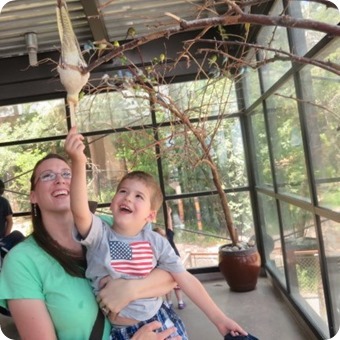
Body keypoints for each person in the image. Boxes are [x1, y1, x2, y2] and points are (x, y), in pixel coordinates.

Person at [65, 126, 248, 339]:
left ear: (150, 216)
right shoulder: (99, 235)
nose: (128, 198)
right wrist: (78, 162)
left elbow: (185, 279)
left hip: (160, 322)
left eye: (138, 196)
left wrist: (220, 319)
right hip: (122, 332)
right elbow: (79, 211)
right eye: (122, 191)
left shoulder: (156, 241)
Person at [0, 153, 181, 340]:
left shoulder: (109, 228)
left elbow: (173, 275)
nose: (60, 180)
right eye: (47, 176)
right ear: (33, 196)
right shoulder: (22, 262)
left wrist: (131, 290)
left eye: (67, 174)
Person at [153, 205, 186, 310]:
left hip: (163, 265)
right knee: (177, 283)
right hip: (174, 262)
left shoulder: (154, 243)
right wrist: (168, 214)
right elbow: (169, 226)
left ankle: (168, 302)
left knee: (167, 283)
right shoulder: (168, 238)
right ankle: (180, 302)